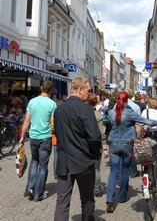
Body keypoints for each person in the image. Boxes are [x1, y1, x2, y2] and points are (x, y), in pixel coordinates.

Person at [106, 91, 157, 213]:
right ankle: (122, 197)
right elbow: (145, 121)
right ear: (127, 101)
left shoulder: (111, 111)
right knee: (125, 170)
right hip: (127, 144)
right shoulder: (129, 112)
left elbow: (107, 124)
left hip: (113, 144)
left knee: (113, 172)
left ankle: (109, 201)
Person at [54, 77, 102, 221]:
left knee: (62, 203)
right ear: (80, 90)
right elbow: (94, 137)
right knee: (87, 199)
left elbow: (57, 132)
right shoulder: (85, 109)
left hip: (64, 161)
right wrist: (94, 154)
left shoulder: (59, 109)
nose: (90, 93)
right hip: (83, 162)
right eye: (88, 90)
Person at [19, 80, 57, 202]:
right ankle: (38, 194)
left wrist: (22, 137)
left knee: (34, 161)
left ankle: (30, 187)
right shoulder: (52, 104)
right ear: (51, 91)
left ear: (41, 88)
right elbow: (53, 125)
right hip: (45, 138)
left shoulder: (32, 102)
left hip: (33, 137)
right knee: (43, 165)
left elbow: (26, 121)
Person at [87, 93, 107, 197]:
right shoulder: (99, 115)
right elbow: (102, 133)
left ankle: (87, 188)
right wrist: (104, 148)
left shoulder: (83, 113)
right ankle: (97, 189)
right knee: (96, 168)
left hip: (84, 144)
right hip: (96, 145)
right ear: (97, 102)